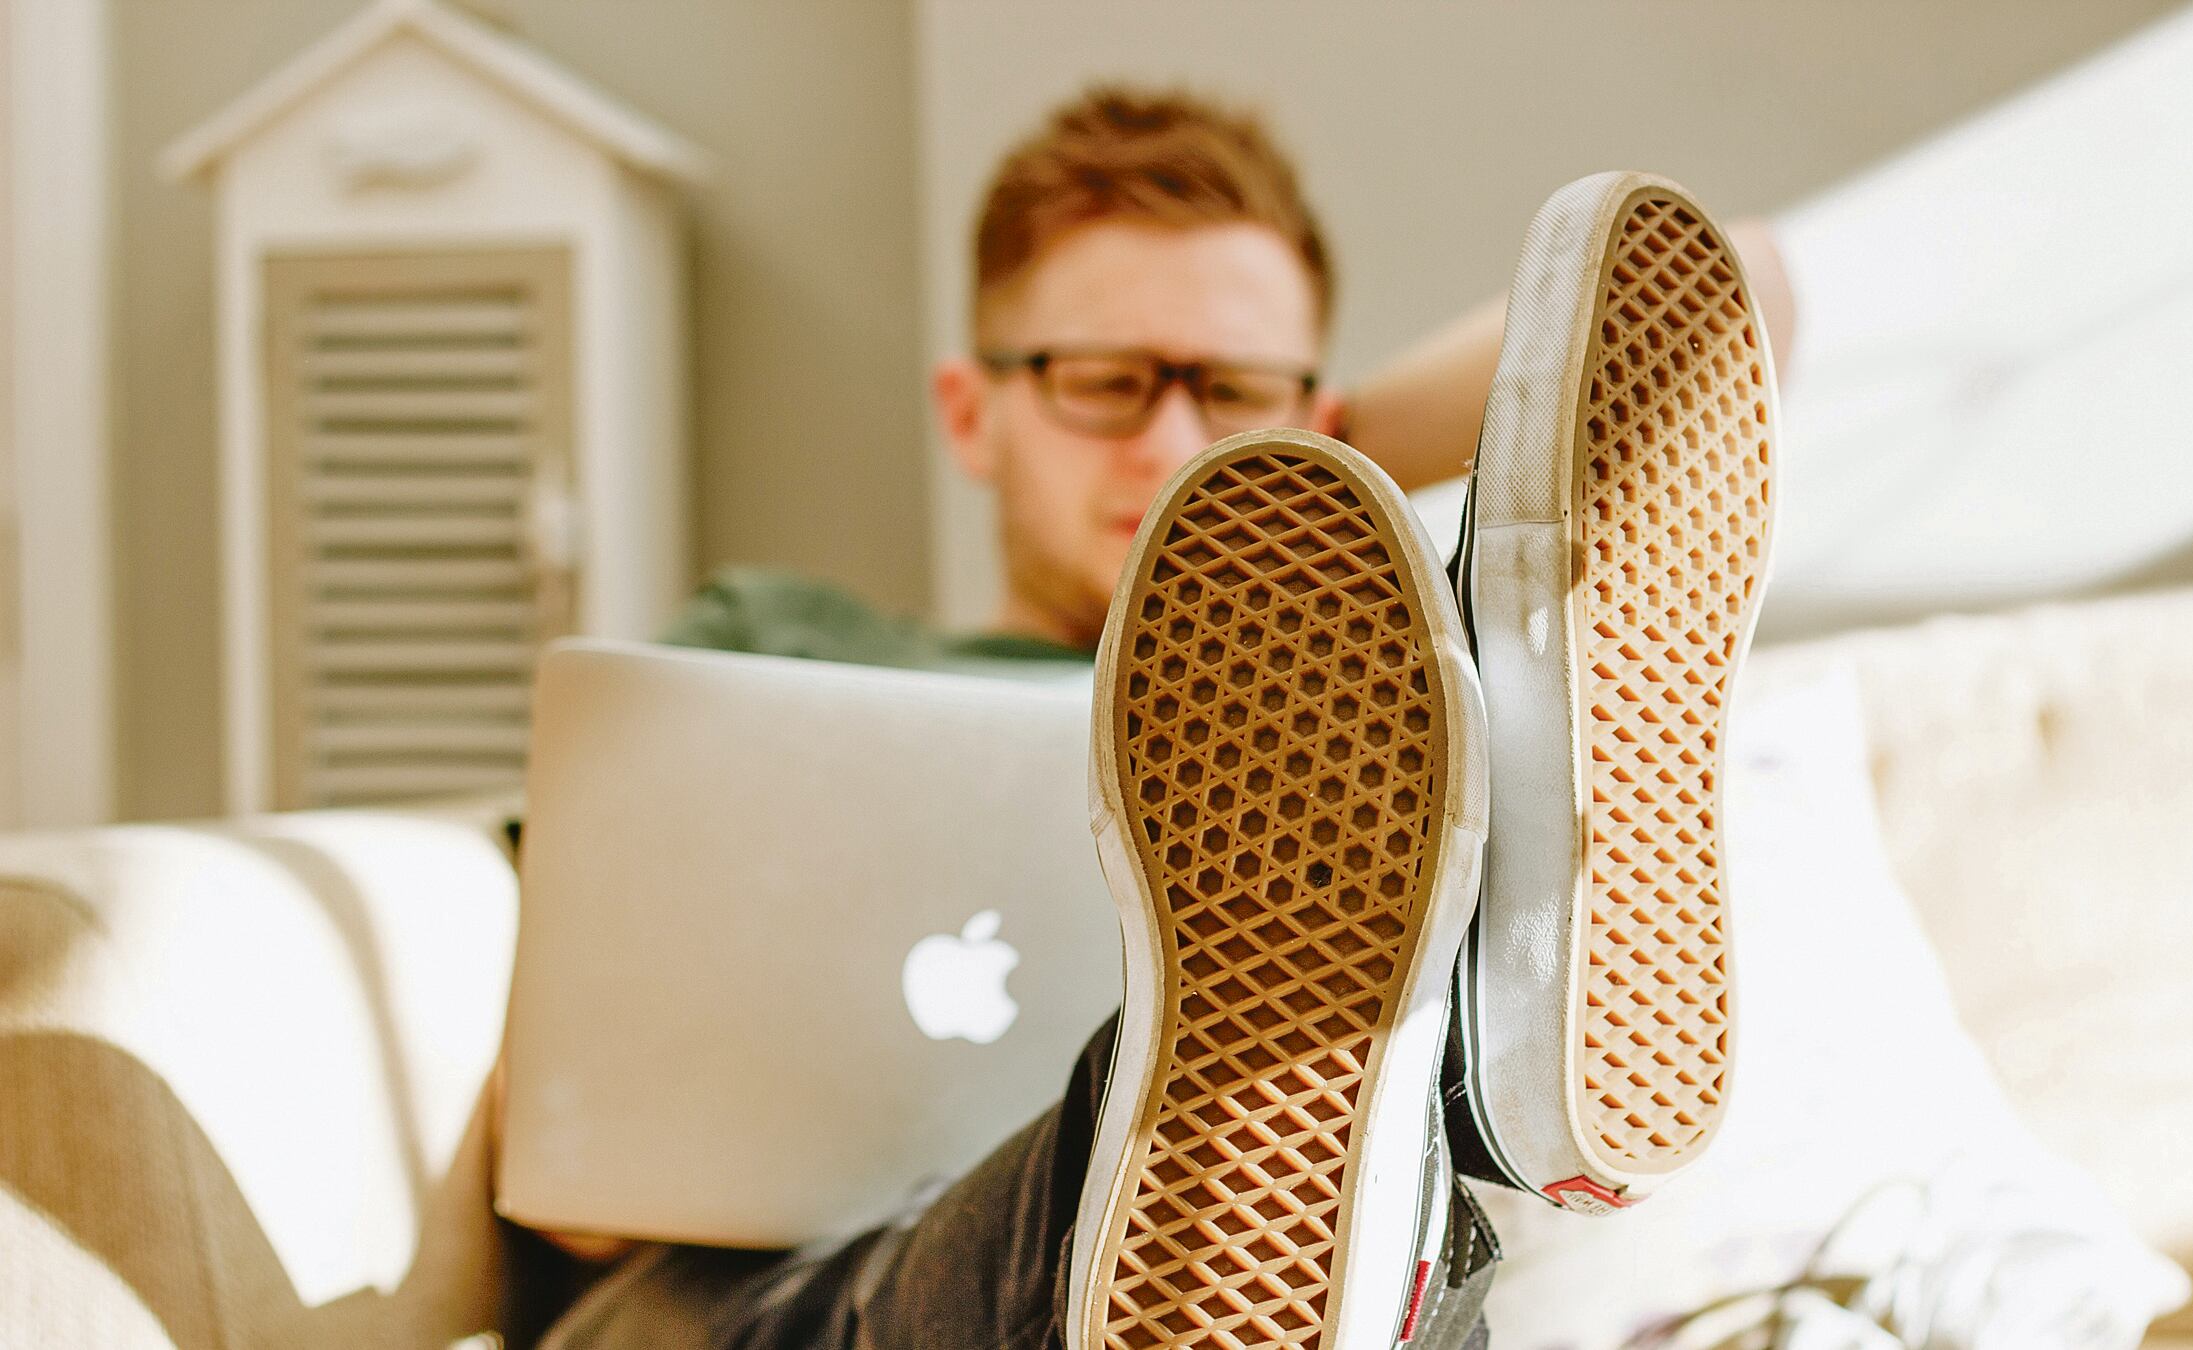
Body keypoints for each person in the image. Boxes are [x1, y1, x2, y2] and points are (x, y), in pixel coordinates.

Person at [525, 86, 1791, 1350]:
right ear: (971, 412)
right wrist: (1279, 427)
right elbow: (561, 1124)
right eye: (1107, 382)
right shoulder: (771, 647)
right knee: (1185, 1104)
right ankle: (1461, 1040)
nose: (1174, 445)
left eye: (1229, 390)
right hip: (776, 1300)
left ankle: (1406, 1056)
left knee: (1344, 1166)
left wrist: (1298, 474)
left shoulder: (1373, 720)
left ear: (1321, 411)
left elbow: (1759, 290)